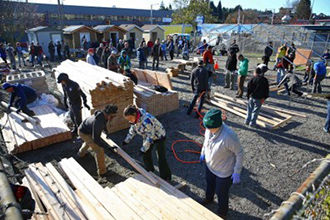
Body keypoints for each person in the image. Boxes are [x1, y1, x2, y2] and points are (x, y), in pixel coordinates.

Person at [199, 108, 244, 219]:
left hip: (224, 171)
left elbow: (240, 153)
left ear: (217, 125)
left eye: (209, 128)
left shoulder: (229, 136)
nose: (207, 130)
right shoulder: (209, 129)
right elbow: (206, 142)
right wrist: (203, 152)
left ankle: (222, 212)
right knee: (209, 184)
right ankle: (209, 198)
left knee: (221, 192)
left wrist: (237, 171)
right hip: (210, 165)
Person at [122, 105, 172, 181]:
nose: (130, 121)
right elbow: (133, 129)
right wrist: (127, 140)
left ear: (135, 114)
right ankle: (149, 171)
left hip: (159, 136)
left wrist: (143, 149)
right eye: (128, 119)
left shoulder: (146, 120)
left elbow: (150, 137)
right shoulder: (134, 120)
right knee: (146, 154)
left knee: (160, 157)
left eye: (130, 118)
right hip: (147, 135)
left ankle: (166, 176)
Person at [78, 104, 118, 176]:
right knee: (99, 150)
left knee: (88, 142)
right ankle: (102, 172)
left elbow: (104, 123)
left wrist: (106, 132)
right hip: (83, 133)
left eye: (114, 116)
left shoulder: (103, 115)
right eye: (112, 116)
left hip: (86, 130)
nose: (112, 118)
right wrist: (108, 147)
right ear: (107, 114)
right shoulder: (98, 122)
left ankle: (81, 154)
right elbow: (96, 139)